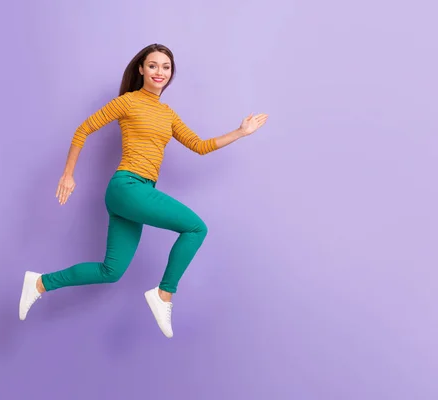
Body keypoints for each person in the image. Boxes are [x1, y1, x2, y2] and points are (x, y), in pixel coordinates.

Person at [19, 43, 268, 338]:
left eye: (165, 67)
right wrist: (68, 175)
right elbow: (83, 129)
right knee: (196, 228)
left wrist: (240, 132)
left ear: (171, 73)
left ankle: (39, 283)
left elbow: (200, 147)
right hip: (127, 187)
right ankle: (164, 294)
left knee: (111, 271)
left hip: (135, 194)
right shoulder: (128, 102)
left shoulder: (168, 115)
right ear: (141, 69)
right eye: (153, 65)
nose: (159, 71)